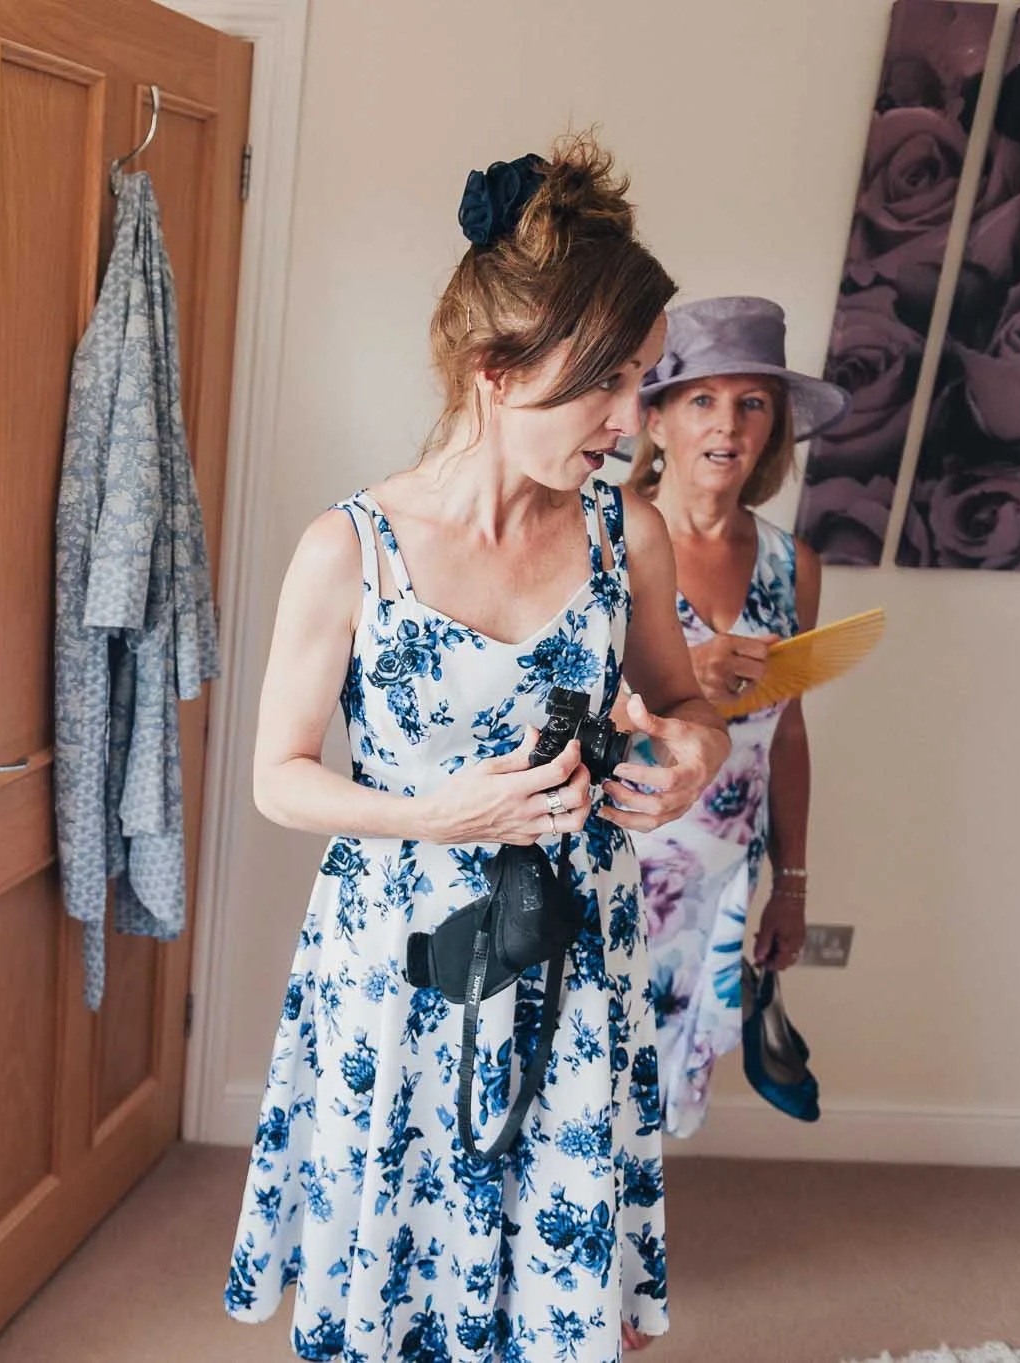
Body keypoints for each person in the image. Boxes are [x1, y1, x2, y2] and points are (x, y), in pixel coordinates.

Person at [223, 136, 730, 1361]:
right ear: (497, 370)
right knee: (392, 1288)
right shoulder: (350, 551)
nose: (630, 422)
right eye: (606, 383)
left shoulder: (630, 537)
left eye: (644, 381)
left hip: (576, 954)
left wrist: (690, 756)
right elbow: (276, 777)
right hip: (405, 957)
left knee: (555, 1297)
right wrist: (436, 815)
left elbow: (683, 706)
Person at [623, 296, 844, 1138]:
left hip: (717, 878)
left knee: (657, 1079)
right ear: (659, 417)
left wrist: (790, 883)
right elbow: (550, 709)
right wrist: (683, 681)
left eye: (753, 403)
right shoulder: (602, 534)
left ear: (775, 427)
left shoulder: (795, 566)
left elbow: (787, 731)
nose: (729, 425)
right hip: (608, 856)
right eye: (703, 400)